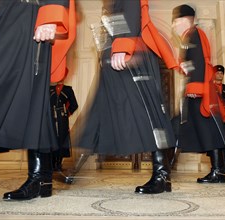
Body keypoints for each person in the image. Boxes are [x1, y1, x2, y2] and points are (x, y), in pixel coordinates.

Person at [0, 0, 76, 200]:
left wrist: (51, 16)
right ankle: (40, 180)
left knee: (27, 97)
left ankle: (38, 178)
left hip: (30, 17)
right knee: (34, 101)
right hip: (3, 16)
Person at [73, 0, 178, 194]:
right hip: (116, 54)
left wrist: (123, 45)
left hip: (131, 54)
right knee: (100, 107)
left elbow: (131, 8)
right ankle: (74, 168)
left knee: (147, 112)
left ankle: (162, 173)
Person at [171, 4, 225, 183]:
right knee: (203, 129)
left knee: (206, 129)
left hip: (198, 92)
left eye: (176, 21)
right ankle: (218, 171)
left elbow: (200, 63)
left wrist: (196, 90)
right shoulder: (190, 36)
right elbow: (191, 65)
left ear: (186, 19)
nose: (174, 26)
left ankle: (218, 171)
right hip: (196, 91)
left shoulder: (194, 34)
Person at [50, 77, 78, 171]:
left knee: (61, 140)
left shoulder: (68, 89)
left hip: (62, 119)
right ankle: (52, 163)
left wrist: (66, 113)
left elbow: (74, 105)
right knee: (52, 139)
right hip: (50, 119)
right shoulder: (49, 89)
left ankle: (58, 163)